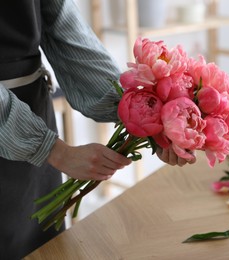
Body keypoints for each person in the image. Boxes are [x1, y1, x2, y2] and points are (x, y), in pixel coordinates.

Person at [0, 1, 195, 259]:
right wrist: (51, 149)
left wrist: (144, 115)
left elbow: (64, 28)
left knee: (40, 244)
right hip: (22, 127)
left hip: (33, 106)